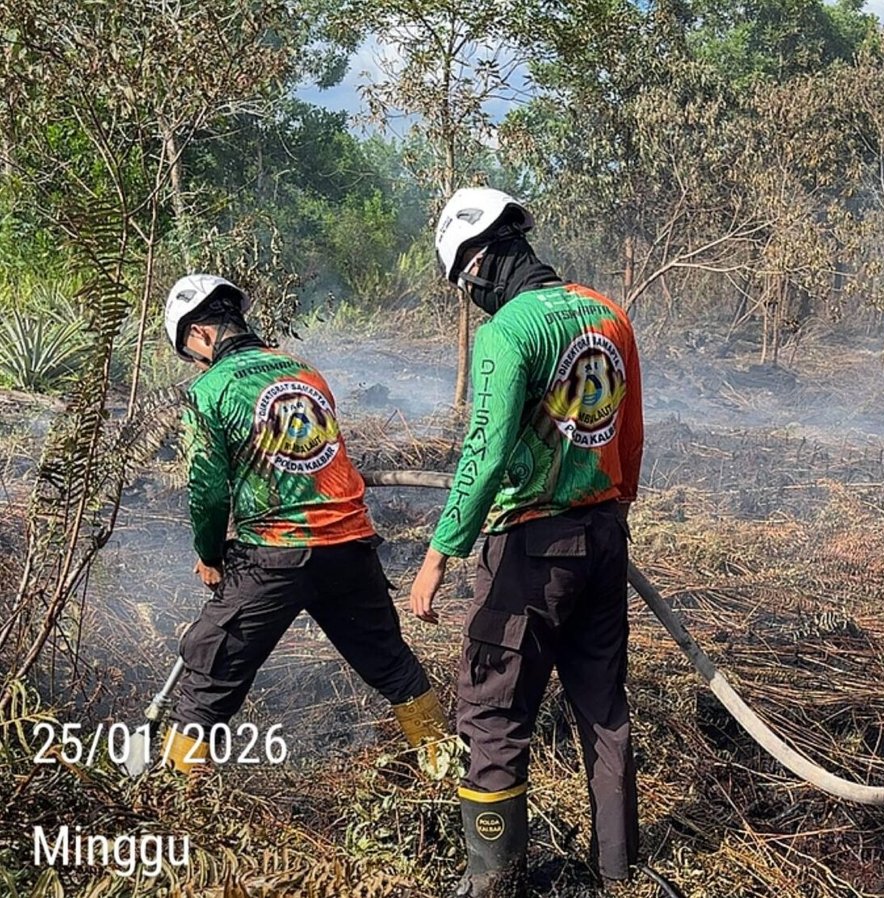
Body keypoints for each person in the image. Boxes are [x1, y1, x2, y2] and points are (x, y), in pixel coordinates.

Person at [408, 187, 644, 896]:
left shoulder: (508, 333)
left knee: (491, 709)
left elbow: (483, 456)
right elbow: (631, 435)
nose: (470, 296)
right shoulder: (609, 314)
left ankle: (494, 882)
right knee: (603, 708)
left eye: (463, 282)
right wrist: (612, 513)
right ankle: (618, 871)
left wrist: (437, 557)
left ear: (478, 262)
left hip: (531, 550)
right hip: (603, 539)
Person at [163, 274, 446, 775]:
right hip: (351, 548)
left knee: (208, 680)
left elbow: (207, 489)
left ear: (200, 333)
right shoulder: (305, 372)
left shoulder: (209, 390)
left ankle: (176, 796)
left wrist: (209, 555)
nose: (196, 363)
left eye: (191, 352)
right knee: (393, 666)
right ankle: (444, 765)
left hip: (275, 554)